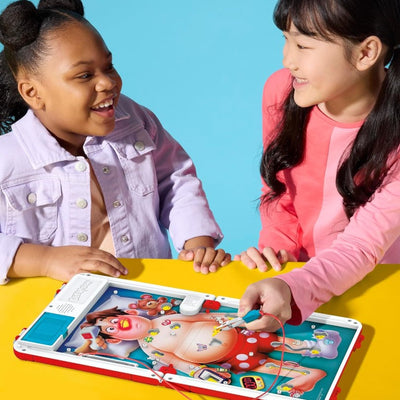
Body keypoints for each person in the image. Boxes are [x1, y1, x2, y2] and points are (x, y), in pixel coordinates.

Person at [0, 0, 230, 285]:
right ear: (33, 92)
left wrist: (197, 243)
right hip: (52, 302)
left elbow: (175, 180)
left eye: (108, 67)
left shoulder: (135, 121)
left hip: (146, 294)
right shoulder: (7, 159)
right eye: (85, 75)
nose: (107, 83)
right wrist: (44, 260)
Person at [236, 0, 400, 331]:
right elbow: (279, 189)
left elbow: (361, 246)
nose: (288, 59)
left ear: (366, 53)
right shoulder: (282, 91)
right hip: (301, 280)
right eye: (285, 39)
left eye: (303, 46)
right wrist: (278, 252)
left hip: (379, 283)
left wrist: (292, 286)